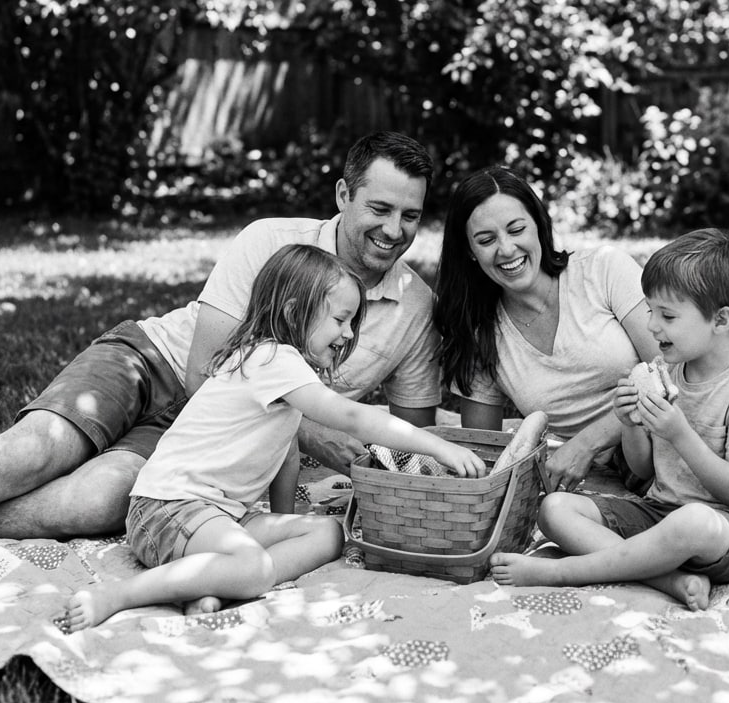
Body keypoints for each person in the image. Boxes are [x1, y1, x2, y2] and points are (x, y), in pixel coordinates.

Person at [0, 132, 443, 540]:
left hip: (211, 439)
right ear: (344, 194)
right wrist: (318, 434)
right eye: (380, 209)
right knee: (35, 450)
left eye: (410, 216)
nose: (393, 230)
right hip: (153, 361)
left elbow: (413, 436)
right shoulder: (270, 241)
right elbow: (204, 373)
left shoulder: (416, 305)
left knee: (100, 500)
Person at [433, 166, 729, 553]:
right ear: (469, 252)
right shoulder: (480, 335)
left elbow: (668, 371)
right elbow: (484, 447)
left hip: (722, 387)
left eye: (516, 229)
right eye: (486, 239)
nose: (506, 250)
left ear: (538, 226)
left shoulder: (600, 270)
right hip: (646, 455)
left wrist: (588, 440)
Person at [54, 243, 486, 631]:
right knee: (256, 565)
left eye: (352, 321)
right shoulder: (271, 358)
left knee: (328, 534)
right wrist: (437, 445)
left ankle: (217, 584)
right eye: (340, 319)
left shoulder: (282, 367)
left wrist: (285, 520)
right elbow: (352, 417)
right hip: (167, 512)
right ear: (293, 312)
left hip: (218, 516)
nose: (349, 333)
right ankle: (118, 596)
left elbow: (286, 454)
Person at [490, 228, 729, 609]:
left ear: (721, 320)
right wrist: (629, 421)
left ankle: (564, 572)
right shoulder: (666, 372)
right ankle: (667, 578)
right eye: (650, 311)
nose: (652, 326)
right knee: (556, 508)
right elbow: (644, 471)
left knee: (693, 521)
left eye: (668, 316)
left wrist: (679, 433)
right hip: (662, 513)